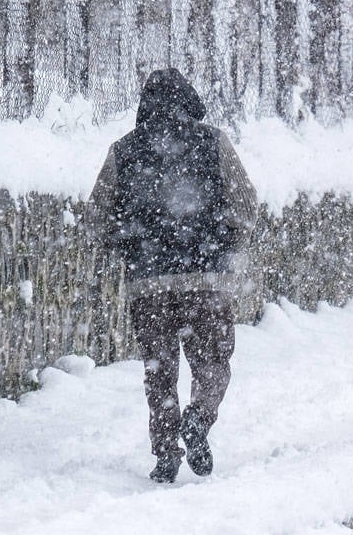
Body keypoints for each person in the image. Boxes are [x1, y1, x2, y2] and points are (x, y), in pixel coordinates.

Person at [90, 68, 258, 484]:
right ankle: (198, 418)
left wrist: (128, 241)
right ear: (190, 100)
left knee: (159, 370)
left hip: (149, 283)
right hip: (208, 278)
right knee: (213, 361)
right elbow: (246, 204)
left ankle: (166, 452)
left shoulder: (124, 151)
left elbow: (96, 218)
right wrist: (226, 242)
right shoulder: (213, 142)